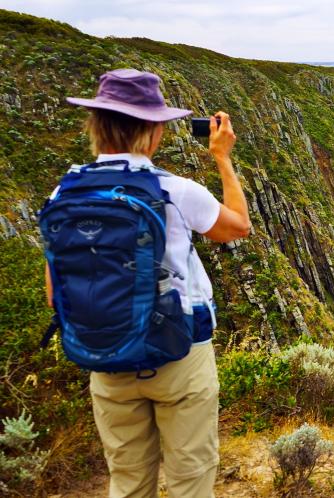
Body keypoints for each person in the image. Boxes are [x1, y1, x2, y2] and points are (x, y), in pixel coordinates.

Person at [45, 68, 251, 497]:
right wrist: (223, 158)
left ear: (96, 125)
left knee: (126, 479)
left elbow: (54, 294)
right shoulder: (175, 191)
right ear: (154, 131)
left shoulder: (64, 195)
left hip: (104, 354)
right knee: (189, 478)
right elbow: (238, 227)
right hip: (179, 352)